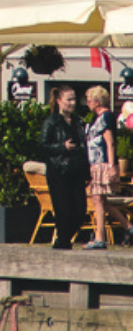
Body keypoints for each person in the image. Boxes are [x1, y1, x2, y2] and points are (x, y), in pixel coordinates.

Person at [40, 86, 90, 251]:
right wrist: (62, 147)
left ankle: (63, 239)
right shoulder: (51, 122)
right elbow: (43, 145)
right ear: (59, 101)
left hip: (76, 169)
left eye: (74, 99)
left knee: (80, 211)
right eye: (68, 99)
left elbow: (84, 145)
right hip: (59, 170)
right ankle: (63, 242)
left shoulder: (78, 121)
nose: (72, 103)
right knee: (63, 209)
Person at [86, 85, 118, 250]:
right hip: (95, 163)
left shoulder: (106, 117)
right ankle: (128, 227)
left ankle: (100, 238)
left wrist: (112, 166)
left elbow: (110, 142)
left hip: (103, 163)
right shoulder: (96, 118)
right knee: (102, 200)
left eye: (90, 100)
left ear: (97, 101)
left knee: (97, 199)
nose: (87, 103)